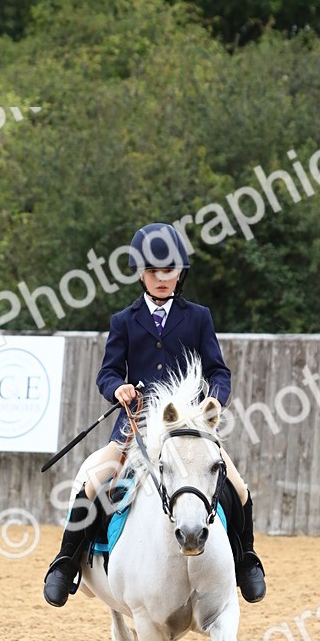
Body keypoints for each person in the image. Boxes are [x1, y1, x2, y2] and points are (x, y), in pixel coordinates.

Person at [43, 222, 266, 607]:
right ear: (140, 273)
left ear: (180, 274)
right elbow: (108, 372)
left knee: (239, 487)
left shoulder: (198, 317)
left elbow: (218, 371)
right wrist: (118, 387)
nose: (162, 278)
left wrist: (215, 399)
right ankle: (66, 563)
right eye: (153, 271)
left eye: (169, 271)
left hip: (187, 428)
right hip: (136, 429)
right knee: (92, 482)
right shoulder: (124, 321)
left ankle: (246, 560)